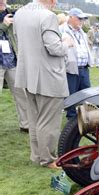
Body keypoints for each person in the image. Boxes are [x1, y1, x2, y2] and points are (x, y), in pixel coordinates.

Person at [13, 0, 74, 169]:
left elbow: (18, 41)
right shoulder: (48, 16)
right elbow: (55, 48)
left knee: (34, 118)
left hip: (28, 73)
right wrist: (67, 43)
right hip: (48, 76)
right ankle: (48, 159)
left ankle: (37, 155)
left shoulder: (20, 13)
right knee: (49, 121)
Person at [0, 0, 29, 133]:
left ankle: (26, 124)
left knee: (21, 94)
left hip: (11, 60)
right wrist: (3, 25)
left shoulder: (11, 12)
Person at [63, 8, 92, 120]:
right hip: (71, 68)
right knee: (71, 94)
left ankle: (85, 116)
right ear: (71, 17)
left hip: (84, 68)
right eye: (79, 18)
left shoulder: (82, 32)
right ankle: (71, 118)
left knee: (86, 92)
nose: (81, 21)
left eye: (83, 19)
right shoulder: (62, 31)